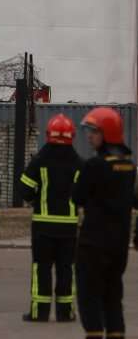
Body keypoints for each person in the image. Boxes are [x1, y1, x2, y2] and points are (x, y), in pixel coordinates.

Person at [73, 107, 136, 339]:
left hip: (93, 244)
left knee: (89, 296)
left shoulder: (94, 166)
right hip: (118, 245)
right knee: (112, 297)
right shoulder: (129, 167)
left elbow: (77, 197)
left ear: (107, 133)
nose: (89, 136)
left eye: (94, 131)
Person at [19, 113, 81, 323]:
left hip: (43, 226)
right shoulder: (78, 163)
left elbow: (24, 188)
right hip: (69, 228)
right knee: (66, 269)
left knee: (41, 269)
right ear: (71, 135)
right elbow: (86, 194)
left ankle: (39, 312)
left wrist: (37, 200)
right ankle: (66, 313)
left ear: (48, 135)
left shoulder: (40, 160)